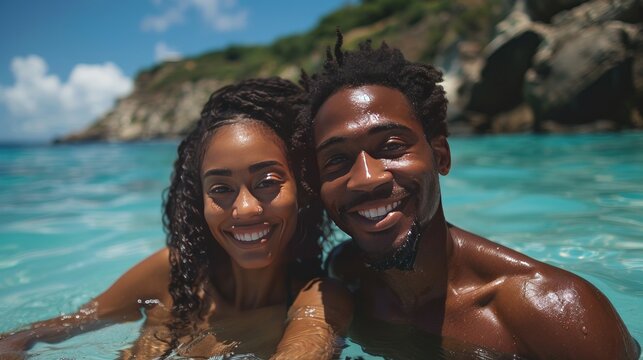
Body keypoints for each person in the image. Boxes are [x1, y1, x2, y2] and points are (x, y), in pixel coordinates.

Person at [293, 32, 639, 359]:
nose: (366, 179)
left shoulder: (554, 312)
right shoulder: (347, 273)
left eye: (391, 147)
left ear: (440, 156)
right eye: (337, 160)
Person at [0, 77, 352, 359]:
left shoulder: (318, 301)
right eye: (220, 188)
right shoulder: (170, 275)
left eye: (267, 182)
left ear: (303, 189)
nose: (244, 209)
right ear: (198, 199)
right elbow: (35, 334)